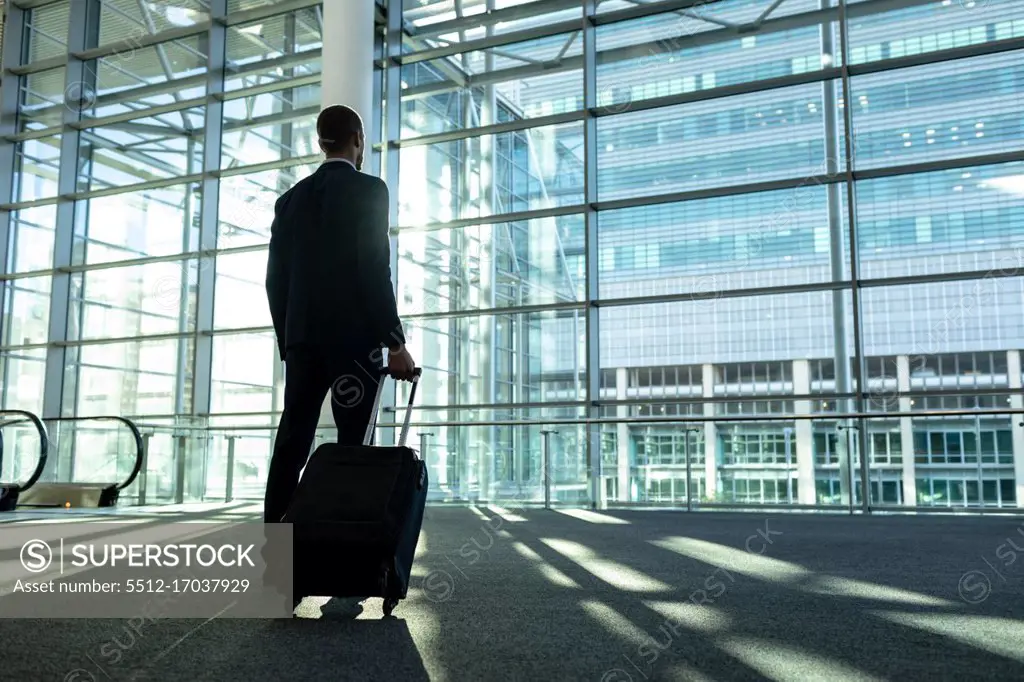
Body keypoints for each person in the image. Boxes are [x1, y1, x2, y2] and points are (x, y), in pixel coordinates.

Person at [263, 104, 417, 525]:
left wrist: (290, 343)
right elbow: (373, 270)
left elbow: (275, 281)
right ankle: (342, 549)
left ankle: (275, 563)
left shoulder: (289, 201)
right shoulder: (370, 191)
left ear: (320, 143)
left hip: (304, 344)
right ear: (358, 139)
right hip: (355, 344)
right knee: (352, 449)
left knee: (292, 444)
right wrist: (396, 343)